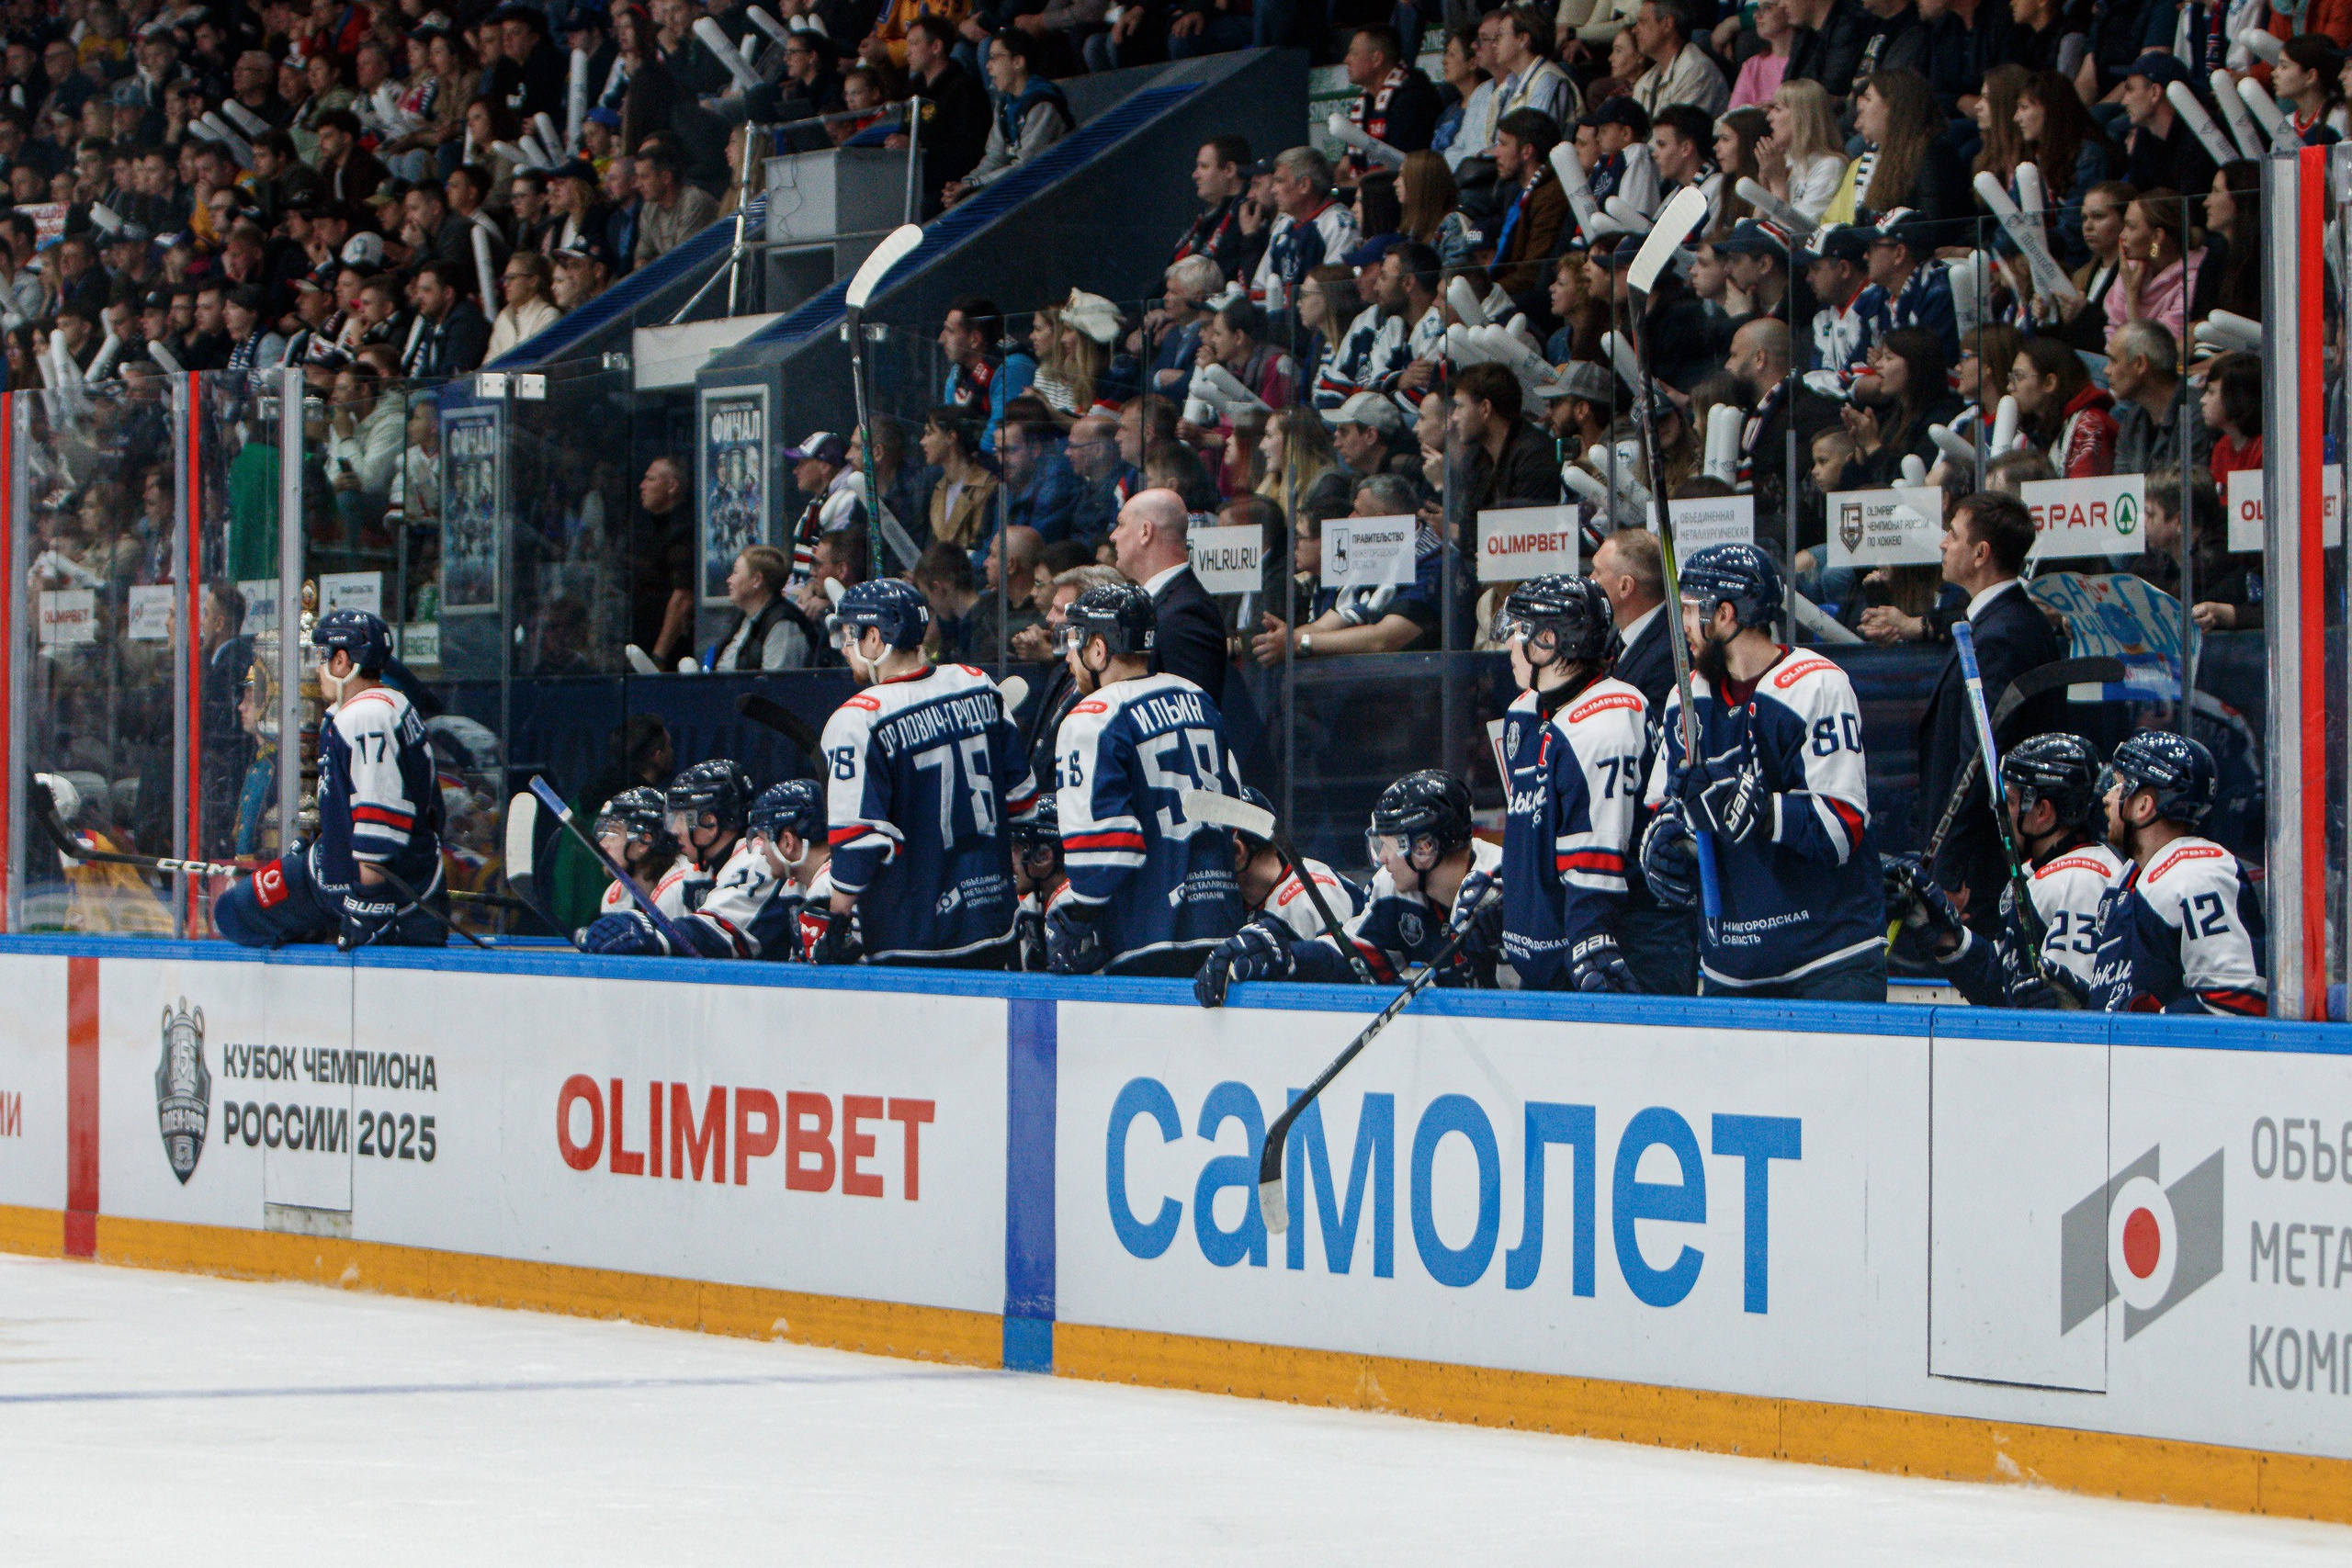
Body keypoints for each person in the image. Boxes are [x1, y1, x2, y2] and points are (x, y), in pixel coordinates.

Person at [1639, 543, 1885, 999]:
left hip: (1827, 960)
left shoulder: (1816, 684)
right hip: (1731, 969)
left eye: (1690, 610)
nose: (1682, 626)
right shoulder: (1685, 699)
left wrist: (1761, 810)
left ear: (1725, 615)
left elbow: (1842, 826)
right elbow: (1663, 808)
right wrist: (1667, 843)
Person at [820, 578, 1040, 967]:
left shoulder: (858, 719)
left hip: (911, 935)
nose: (845, 648)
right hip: (993, 921)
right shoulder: (977, 684)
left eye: (850, 636)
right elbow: (1022, 799)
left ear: (875, 638)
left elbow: (858, 842)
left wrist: (836, 920)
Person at [213, 612, 447, 949]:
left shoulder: (365, 716)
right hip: (369, 876)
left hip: (370, 890)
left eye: (323, 658)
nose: (317, 669)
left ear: (342, 661)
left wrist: (369, 905)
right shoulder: (392, 704)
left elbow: (378, 821)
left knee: (233, 913)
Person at [1046, 581, 1245, 976]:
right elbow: (1237, 803)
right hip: (1220, 926)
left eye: (1076, 643)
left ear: (1099, 650)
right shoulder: (1198, 698)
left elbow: (1103, 852)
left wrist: (1076, 916)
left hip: (1143, 934)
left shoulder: (1093, 716)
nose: (1070, 657)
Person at [1193, 770, 1504, 997]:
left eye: (1388, 845)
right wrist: (1284, 956)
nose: (1382, 858)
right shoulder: (1393, 892)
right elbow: (1350, 959)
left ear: (1424, 848)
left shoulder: (1508, 885)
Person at [1908, 490, 2063, 925]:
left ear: (1980, 554)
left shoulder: (2001, 635)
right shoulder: (2006, 622)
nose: (1943, 543)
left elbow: (1980, 762)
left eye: (1953, 535)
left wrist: (1948, 865)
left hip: (1980, 871)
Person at [1885, 733, 2129, 1007]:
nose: (2000, 813)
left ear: (2042, 812)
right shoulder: (2043, 873)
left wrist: (2053, 1008)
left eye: (2010, 802)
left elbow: (2072, 1014)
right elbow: (2004, 982)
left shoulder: (2080, 880)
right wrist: (1949, 938)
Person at [1494, 575, 1652, 992]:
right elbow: (1533, 827)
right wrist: (1502, 884)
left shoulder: (1607, 722)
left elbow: (1599, 854)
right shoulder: (1524, 711)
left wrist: (1590, 939)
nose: (1509, 644)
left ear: (1548, 641)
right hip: (1549, 959)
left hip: (1611, 951)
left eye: (1519, 631)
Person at [2079, 731, 2267, 1015]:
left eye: (2119, 786)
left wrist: (2153, 1024)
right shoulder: (2128, 878)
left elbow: (2236, 999)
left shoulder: (2197, 874)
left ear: (2143, 805)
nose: (2107, 797)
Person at [582, 760, 795, 959]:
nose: (674, 830)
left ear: (710, 823)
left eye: (682, 818)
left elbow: (715, 935)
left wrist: (649, 936)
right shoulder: (699, 870)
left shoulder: (757, 858)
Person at [1111, 487, 1227, 705]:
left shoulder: (1186, 613)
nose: (1113, 535)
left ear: (1145, 532)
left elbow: (1193, 712)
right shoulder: (1166, 604)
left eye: (1121, 524)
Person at [944, 30, 1069, 204]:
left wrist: (973, 185)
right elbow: (995, 157)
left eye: (994, 58)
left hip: (1052, 195)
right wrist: (965, 185)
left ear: (1018, 62)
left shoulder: (1042, 105)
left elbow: (1026, 167)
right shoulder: (1004, 103)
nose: (988, 66)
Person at [742, 780, 854, 964]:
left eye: (764, 839)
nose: (762, 851)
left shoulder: (827, 885)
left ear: (788, 842)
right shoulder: (794, 886)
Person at [588, 784, 691, 923]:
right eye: (602, 833)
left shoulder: (684, 887)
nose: (603, 845)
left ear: (643, 842)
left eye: (613, 834)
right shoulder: (616, 897)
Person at [710, 544, 820, 670]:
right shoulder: (743, 618)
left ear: (757, 580)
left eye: (735, 572)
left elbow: (776, 680)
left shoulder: (783, 625)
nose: (729, 580)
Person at [632, 142, 719, 265]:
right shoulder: (649, 208)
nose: (638, 185)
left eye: (644, 177)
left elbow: (683, 258)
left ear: (666, 177)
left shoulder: (693, 202)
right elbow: (642, 255)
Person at [1010, 793, 1069, 972]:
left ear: (1043, 855)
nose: (1007, 859)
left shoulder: (1084, 910)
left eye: (1015, 847)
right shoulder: (1027, 908)